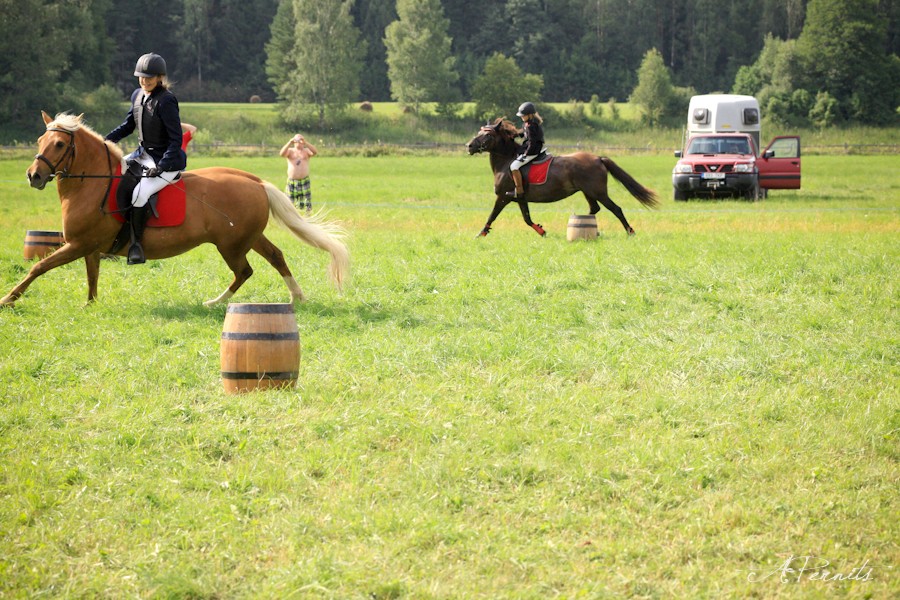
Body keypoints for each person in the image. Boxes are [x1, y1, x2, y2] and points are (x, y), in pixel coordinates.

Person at [105, 52, 186, 265]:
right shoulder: (138, 95)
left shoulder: (166, 100)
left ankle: (136, 245)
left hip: (167, 161)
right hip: (143, 155)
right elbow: (128, 126)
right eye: (141, 76)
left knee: (140, 194)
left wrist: (162, 166)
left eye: (149, 77)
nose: (145, 80)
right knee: (113, 175)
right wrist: (104, 141)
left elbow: (176, 139)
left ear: (159, 77)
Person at [506, 101, 545, 198]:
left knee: (514, 166)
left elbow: (532, 142)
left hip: (533, 150)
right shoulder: (527, 124)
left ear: (530, 115)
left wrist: (526, 155)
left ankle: (519, 190)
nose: (522, 117)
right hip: (531, 148)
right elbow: (523, 133)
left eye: (523, 115)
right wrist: (514, 135)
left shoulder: (532, 126)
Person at [280, 134, 318, 215]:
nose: (299, 142)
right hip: (292, 180)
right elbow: (282, 154)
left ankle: (307, 216)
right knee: (289, 200)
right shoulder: (290, 151)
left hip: (304, 180)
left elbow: (315, 152)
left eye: (300, 140)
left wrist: (306, 142)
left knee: (306, 201)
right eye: (297, 141)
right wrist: (289, 142)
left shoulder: (306, 151)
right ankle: (290, 216)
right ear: (294, 142)